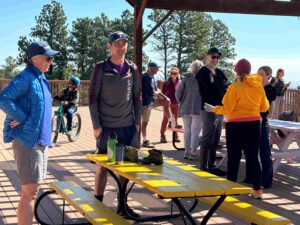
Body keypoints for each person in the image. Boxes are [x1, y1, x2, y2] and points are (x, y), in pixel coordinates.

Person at [0, 41, 59, 225]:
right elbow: (4, 98)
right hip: (28, 142)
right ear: (34, 59)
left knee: (33, 190)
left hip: (40, 142)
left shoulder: (40, 78)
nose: (51, 61)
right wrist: (22, 117)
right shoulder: (26, 77)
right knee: (29, 192)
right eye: (48, 57)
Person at [88, 31, 141, 205]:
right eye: (116, 43)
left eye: (123, 43)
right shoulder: (100, 68)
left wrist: (138, 122)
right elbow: (92, 97)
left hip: (127, 126)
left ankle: (122, 203)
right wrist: (96, 125)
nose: (121, 47)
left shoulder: (132, 69)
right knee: (104, 165)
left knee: (125, 167)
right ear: (109, 46)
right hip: (107, 127)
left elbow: (137, 97)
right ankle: (98, 201)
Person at [205, 58, 269, 199]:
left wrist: (213, 109)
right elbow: (264, 107)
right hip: (254, 124)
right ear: (249, 71)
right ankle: (257, 191)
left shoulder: (234, 87)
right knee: (253, 157)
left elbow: (227, 108)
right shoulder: (258, 86)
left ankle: (231, 190)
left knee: (234, 157)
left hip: (235, 125)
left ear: (237, 72)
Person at [195, 47, 228, 176]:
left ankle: (212, 165)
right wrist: (222, 90)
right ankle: (203, 167)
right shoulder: (202, 72)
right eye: (213, 56)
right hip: (208, 109)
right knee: (207, 139)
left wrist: (222, 90)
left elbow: (227, 86)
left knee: (216, 139)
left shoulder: (219, 73)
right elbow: (210, 90)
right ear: (207, 57)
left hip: (220, 109)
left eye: (218, 57)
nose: (216, 59)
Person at [176, 60, 203, 160]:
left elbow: (178, 94)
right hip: (198, 108)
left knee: (187, 131)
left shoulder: (186, 79)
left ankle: (186, 152)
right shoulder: (203, 79)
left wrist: (182, 101)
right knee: (195, 132)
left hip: (185, 108)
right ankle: (194, 153)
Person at [141, 61, 171, 148]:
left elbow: (156, 89)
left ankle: (170, 121)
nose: (158, 70)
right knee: (144, 123)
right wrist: (159, 93)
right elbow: (154, 92)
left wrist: (164, 97)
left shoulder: (152, 77)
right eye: (157, 68)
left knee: (167, 102)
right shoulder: (146, 77)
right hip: (146, 103)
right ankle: (145, 140)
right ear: (151, 68)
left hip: (151, 101)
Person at [257, 66, 276, 188]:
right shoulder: (255, 87)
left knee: (264, 151)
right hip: (251, 122)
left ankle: (266, 181)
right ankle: (251, 177)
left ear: (268, 76)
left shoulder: (270, 89)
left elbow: (266, 106)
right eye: (258, 73)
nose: (259, 76)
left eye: (262, 74)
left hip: (262, 122)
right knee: (252, 152)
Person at [160, 66, 181, 143]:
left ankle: (175, 135)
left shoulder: (180, 83)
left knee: (175, 121)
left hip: (176, 104)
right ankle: (162, 135)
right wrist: (163, 102)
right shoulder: (166, 83)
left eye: (175, 73)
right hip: (167, 104)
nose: (173, 75)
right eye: (172, 73)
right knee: (165, 120)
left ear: (178, 74)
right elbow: (162, 94)